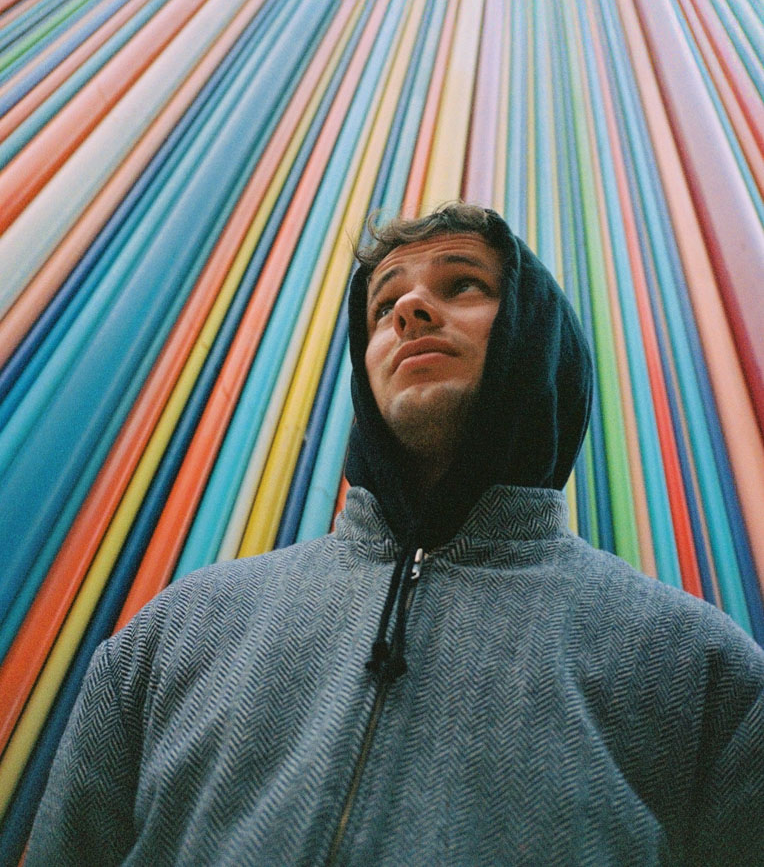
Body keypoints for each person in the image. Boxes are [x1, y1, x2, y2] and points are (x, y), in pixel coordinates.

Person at [27, 203, 764, 866]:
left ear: (533, 340)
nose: (410, 308)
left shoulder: (699, 674)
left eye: (463, 284)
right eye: (384, 304)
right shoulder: (172, 637)